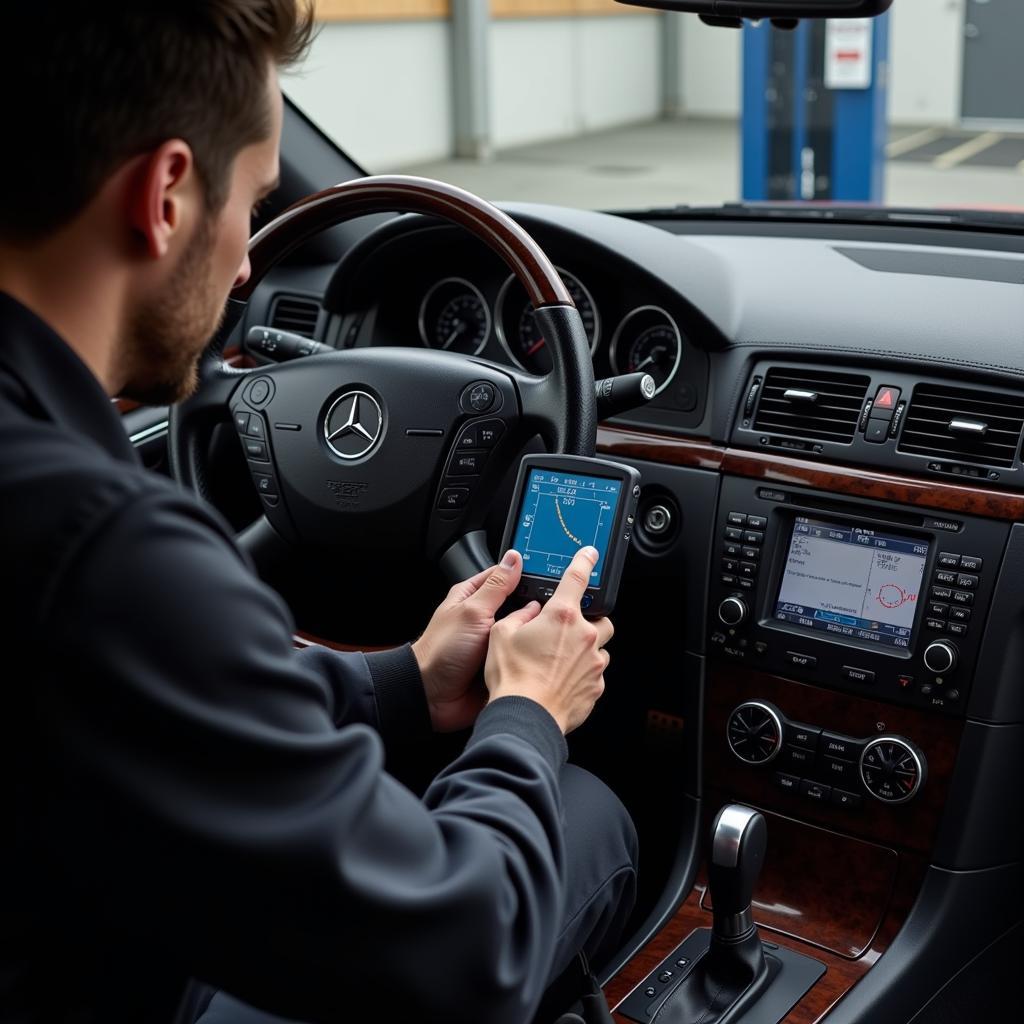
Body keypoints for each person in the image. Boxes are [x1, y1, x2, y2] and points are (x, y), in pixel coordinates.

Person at [0, 4, 637, 1024]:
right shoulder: (107, 548)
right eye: (253, 203)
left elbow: (153, 687)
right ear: (165, 196)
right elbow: (470, 952)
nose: (250, 264)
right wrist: (528, 711)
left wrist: (405, 684)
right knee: (587, 812)